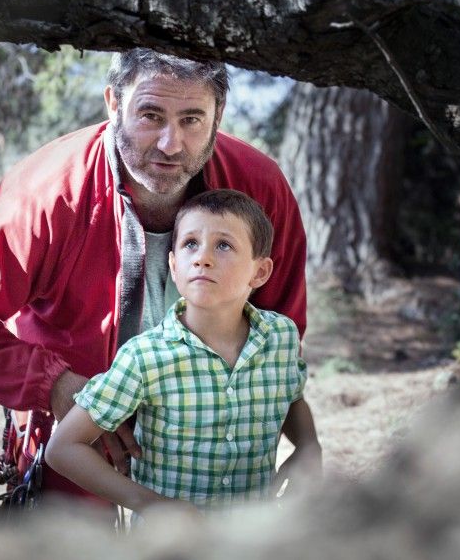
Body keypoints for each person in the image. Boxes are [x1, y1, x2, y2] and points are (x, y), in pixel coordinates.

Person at [0, 49, 308, 504]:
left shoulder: (258, 186)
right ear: (113, 103)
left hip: (216, 473)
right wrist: (58, 387)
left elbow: (282, 328)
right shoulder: (45, 193)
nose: (170, 143)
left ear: (218, 115)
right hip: (75, 460)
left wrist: (297, 438)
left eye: (192, 120)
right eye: (150, 115)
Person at [45, 190, 321, 515]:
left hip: (254, 539)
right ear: (174, 266)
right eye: (190, 243)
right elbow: (62, 448)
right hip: (169, 546)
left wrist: (307, 446)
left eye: (224, 245)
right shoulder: (145, 356)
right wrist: (148, 504)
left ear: (259, 272)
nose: (202, 257)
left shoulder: (280, 338)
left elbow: (290, 396)